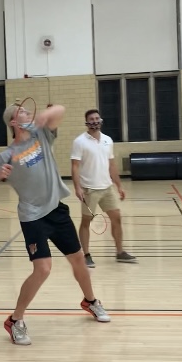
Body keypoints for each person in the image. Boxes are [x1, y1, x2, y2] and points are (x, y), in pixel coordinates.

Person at [0, 102, 110, 346]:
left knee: (78, 259)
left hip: (56, 209)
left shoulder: (42, 135)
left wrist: (44, 115)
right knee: (43, 269)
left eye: (28, 111)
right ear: (13, 122)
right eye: (22, 112)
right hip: (32, 216)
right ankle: (15, 320)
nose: (28, 113)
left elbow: (60, 110)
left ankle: (90, 301)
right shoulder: (7, 155)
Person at [70, 109, 136, 267]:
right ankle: (86, 255)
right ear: (87, 122)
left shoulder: (108, 140)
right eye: (91, 119)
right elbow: (75, 166)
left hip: (107, 188)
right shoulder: (79, 142)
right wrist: (77, 188)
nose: (95, 121)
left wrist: (119, 186)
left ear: (100, 120)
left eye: (97, 118)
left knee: (117, 218)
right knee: (86, 222)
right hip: (89, 189)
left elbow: (111, 165)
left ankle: (120, 252)